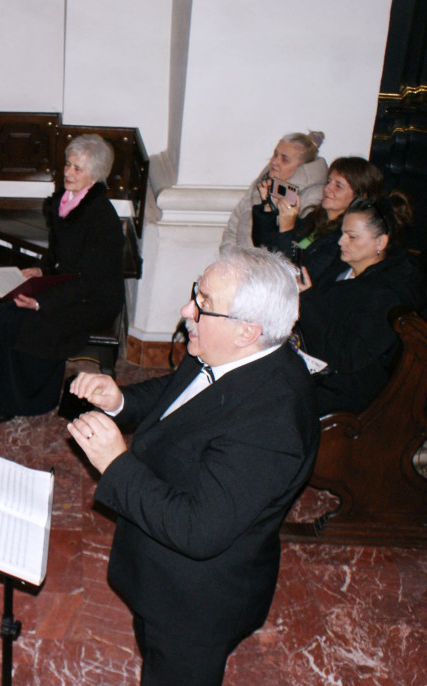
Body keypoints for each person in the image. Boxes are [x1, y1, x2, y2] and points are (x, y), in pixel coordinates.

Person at [67, 246, 319, 686]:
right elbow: (179, 394)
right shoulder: (220, 349)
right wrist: (121, 400)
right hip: (158, 570)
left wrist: (115, 462)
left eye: (203, 303)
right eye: (194, 293)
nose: (187, 310)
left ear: (247, 331)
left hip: (194, 603)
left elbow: (197, 529)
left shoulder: (271, 427)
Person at [0, 134, 124, 423]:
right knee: (8, 313)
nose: (68, 173)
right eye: (67, 165)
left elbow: (90, 281)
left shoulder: (101, 219)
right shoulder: (66, 200)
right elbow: (58, 252)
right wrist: (41, 269)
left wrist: (42, 302)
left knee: (35, 322)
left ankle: (24, 402)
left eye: (77, 169)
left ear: (94, 176)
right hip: (69, 283)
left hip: (92, 298)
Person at [296, 194, 423, 415]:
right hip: (314, 363)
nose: (340, 242)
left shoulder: (386, 294)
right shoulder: (343, 267)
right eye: (342, 233)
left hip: (345, 391)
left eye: (351, 236)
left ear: (380, 242)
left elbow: (347, 356)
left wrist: (307, 301)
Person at [252, 156, 384, 283]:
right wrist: (268, 206)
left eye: (338, 186)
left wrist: (287, 229)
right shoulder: (315, 219)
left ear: (359, 196)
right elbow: (263, 243)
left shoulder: (343, 239)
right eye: (328, 182)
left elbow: (299, 276)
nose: (327, 189)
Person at [220, 132, 326, 249]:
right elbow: (233, 226)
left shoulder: (314, 197)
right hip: (239, 262)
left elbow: (294, 246)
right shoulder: (263, 181)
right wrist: (230, 259)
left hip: (272, 266)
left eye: (284, 159)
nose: (274, 162)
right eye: (275, 154)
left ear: (302, 168)